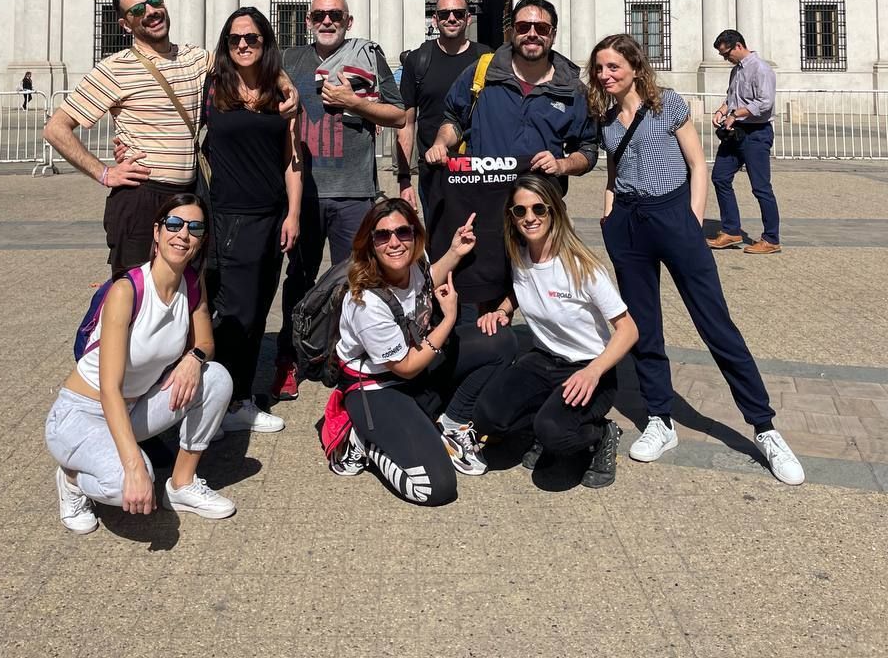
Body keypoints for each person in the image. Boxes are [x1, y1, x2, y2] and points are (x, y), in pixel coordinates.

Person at [588, 33, 804, 485]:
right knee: (642, 326)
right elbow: (613, 169)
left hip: (673, 214)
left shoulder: (668, 102)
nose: (606, 76)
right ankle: (660, 419)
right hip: (627, 223)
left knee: (715, 322)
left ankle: (764, 427)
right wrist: (609, 213)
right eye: (600, 69)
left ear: (633, 66)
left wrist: (691, 216)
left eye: (613, 67)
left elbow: (698, 162)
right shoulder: (604, 117)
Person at [43, 0, 298, 277]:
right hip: (142, 198)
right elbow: (56, 129)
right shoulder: (114, 69)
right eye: (138, 10)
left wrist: (284, 81)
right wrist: (105, 173)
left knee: (185, 294)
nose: (151, 12)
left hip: (189, 197)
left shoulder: (194, 58)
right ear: (126, 24)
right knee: (135, 293)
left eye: (154, 1)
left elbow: (248, 59)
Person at [44, 194, 236, 533]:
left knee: (216, 378)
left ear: (203, 237)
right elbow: (109, 390)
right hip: (80, 414)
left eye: (194, 228)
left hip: (132, 410)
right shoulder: (127, 290)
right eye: (174, 225)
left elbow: (205, 341)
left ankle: (182, 485)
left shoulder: (191, 283)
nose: (183, 235)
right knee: (132, 481)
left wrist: (194, 358)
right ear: (158, 232)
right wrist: (133, 466)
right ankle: (72, 478)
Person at [326, 198, 518, 506]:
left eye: (403, 232)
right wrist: (450, 319)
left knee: (501, 342)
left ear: (416, 235)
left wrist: (455, 252)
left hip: (415, 370)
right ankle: (363, 442)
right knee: (436, 489)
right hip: (377, 387)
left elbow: (425, 282)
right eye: (382, 235)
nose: (394, 242)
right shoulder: (365, 302)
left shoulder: (412, 263)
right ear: (369, 243)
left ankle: (453, 425)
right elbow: (405, 366)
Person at [423, 0, 598, 312]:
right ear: (511, 32)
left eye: (541, 27)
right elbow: (452, 118)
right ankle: (483, 351)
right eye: (523, 26)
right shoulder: (482, 72)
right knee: (479, 298)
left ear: (552, 34)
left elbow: (588, 150)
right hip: (483, 207)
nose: (532, 33)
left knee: (546, 295)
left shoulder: (572, 89)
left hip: (539, 214)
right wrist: (441, 143)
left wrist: (562, 164)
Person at [271, 0, 406, 400]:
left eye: (335, 15)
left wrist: (352, 102)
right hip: (304, 195)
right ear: (309, 20)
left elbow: (399, 114)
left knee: (355, 282)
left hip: (355, 193)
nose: (327, 21)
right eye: (319, 15)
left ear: (348, 21)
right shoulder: (289, 61)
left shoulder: (367, 56)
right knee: (299, 278)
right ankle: (289, 359)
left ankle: (344, 357)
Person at [472, 175, 637, 487]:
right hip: (543, 360)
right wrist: (503, 310)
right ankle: (544, 421)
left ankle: (601, 434)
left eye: (539, 209)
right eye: (520, 211)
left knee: (554, 436)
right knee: (487, 416)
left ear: (554, 212)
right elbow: (523, 289)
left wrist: (594, 370)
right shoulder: (519, 256)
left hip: (589, 370)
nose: (530, 217)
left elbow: (628, 330)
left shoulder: (582, 267)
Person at [203, 8, 302, 437]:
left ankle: (237, 400)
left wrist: (294, 214)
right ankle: (221, 403)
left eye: (253, 38)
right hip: (229, 216)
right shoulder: (210, 87)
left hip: (272, 215)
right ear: (225, 45)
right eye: (235, 39)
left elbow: (293, 162)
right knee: (236, 313)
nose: (243, 45)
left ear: (266, 43)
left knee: (260, 307)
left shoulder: (281, 96)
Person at [395, 0, 490, 221]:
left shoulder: (487, 58)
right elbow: (407, 123)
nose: (451, 18)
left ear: (468, 18)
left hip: (477, 170)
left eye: (458, 13)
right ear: (435, 19)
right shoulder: (417, 61)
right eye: (444, 13)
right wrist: (404, 179)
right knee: (436, 245)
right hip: (434, 171)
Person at [707, 29, 782, 255]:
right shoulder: (736, 71)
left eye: (726, 53)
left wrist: (736, 113)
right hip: (736, 131)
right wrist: (722, 110)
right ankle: (731, 231)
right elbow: (732, 96)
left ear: (738, 46)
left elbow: (765, 103)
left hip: (757, 132)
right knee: (720, 176)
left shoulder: (761, 68)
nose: (725, 58)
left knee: (760, 187)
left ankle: (771, 238)